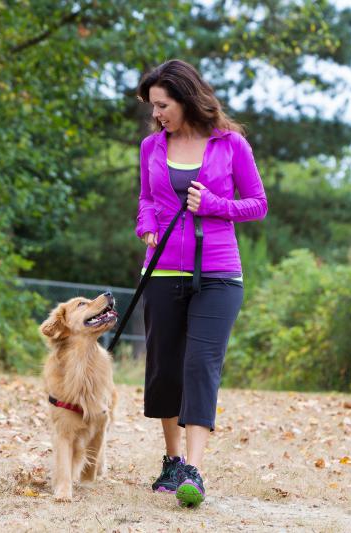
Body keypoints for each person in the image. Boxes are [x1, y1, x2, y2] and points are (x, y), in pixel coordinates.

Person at [135, 59, 267, 508]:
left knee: (201, 364)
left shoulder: (231, 145)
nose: (157, 114)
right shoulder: (152, 145)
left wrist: (214, 204)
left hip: (218, 273)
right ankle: (171, 461)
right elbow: (147, 199)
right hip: (164, 271)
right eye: (153, 106)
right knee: (165, 368)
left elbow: (257, 204)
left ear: (185, 98)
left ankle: (194, 468)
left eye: (163, 104)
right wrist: (146, 224)